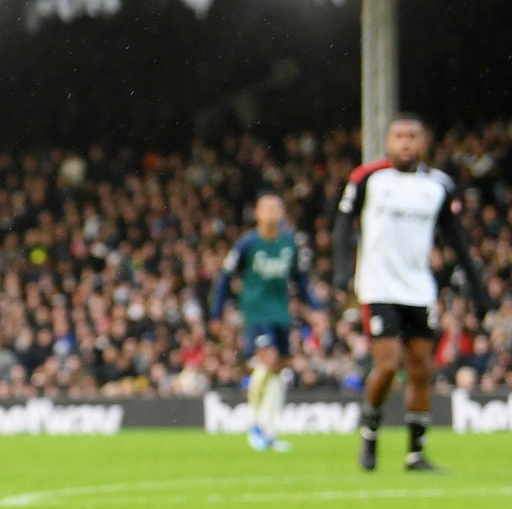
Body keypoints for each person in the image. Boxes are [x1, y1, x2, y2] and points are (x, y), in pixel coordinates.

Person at [335, 114, 492, 472]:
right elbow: (343, 222)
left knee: (422, 369)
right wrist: (343, 270)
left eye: (412, 136)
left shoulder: (438, 185)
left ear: (424, 143)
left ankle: (416, 453)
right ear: (388, 142)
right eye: (398, 136)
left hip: (419, 289)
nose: (405, 142)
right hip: (377, 285)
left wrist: (479, 289)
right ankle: (371, 434)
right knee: (388, 366)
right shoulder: (369, 178)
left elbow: (458, 240)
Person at [208, 193, 318, 452]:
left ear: (281, 214)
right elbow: (225, 277)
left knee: (280, 367)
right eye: (265, 209)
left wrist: (315, 307)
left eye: (275, 209)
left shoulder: (289, 244)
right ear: (257, 213)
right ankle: (254, 424)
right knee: (267, 359)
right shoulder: (247, 244)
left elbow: (300, 280)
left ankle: (269, 429)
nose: (270, 213)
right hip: (256, 311)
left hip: (281, 312)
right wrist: (216, 313)